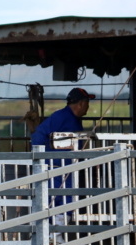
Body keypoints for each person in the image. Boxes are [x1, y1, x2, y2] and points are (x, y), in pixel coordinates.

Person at [31, 87, 95, 228]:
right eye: (87, 103)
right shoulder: (60, 117)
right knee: (53, 200)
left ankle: (56, 235)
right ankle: (49, 235)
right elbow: (37, 137)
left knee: (67, 200)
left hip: (67, 167)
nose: (88, 107)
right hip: (55, 167)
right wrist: (42, 159)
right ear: (81, 104)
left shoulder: (73, 119)